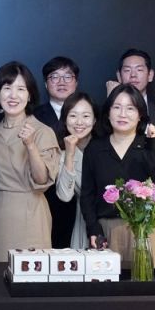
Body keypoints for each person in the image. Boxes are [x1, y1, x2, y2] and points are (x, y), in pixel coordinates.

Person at [80, 85, 155, 266]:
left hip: (143, 230)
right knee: (107, 283)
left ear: (140, 114)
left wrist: (153, 144)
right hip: (106, 229)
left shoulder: (151, 146)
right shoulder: (95, 148)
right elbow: (87, 194)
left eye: (130, 108)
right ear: (108, 112)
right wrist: (93, 229)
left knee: (144, 283)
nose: (122, 114)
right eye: (117, 107)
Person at [0, 62, 60, 262]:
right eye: (7, 88)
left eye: (21, 89)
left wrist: (30, 145)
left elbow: (42, 180)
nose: (13, 95)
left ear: (30, 95)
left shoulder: (42, 131)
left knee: (33, 274)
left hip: (32, 213)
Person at [36, 56, 81, 249]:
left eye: (67, 76)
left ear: (76, 82)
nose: (61, 82)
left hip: (81, 198)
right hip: (46, 197)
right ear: (46, 84)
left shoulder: (89, 114)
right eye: (54, 77)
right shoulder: (34, 116)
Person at [54, 92, 97, 249]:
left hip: (109, 218)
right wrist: (70, 154)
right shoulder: (61, 153)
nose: (79, 122)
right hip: (83, 221)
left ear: (94, 120)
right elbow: (65, 195)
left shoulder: (106, 146)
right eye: (73, 116)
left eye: (86, 116)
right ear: (65, 120)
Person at [107, 48, 155, 131]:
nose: (133, 75)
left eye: (139, 70)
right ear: (119, 76)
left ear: (150, 75)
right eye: (127, 70)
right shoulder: (107, 107)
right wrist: (111, 100)